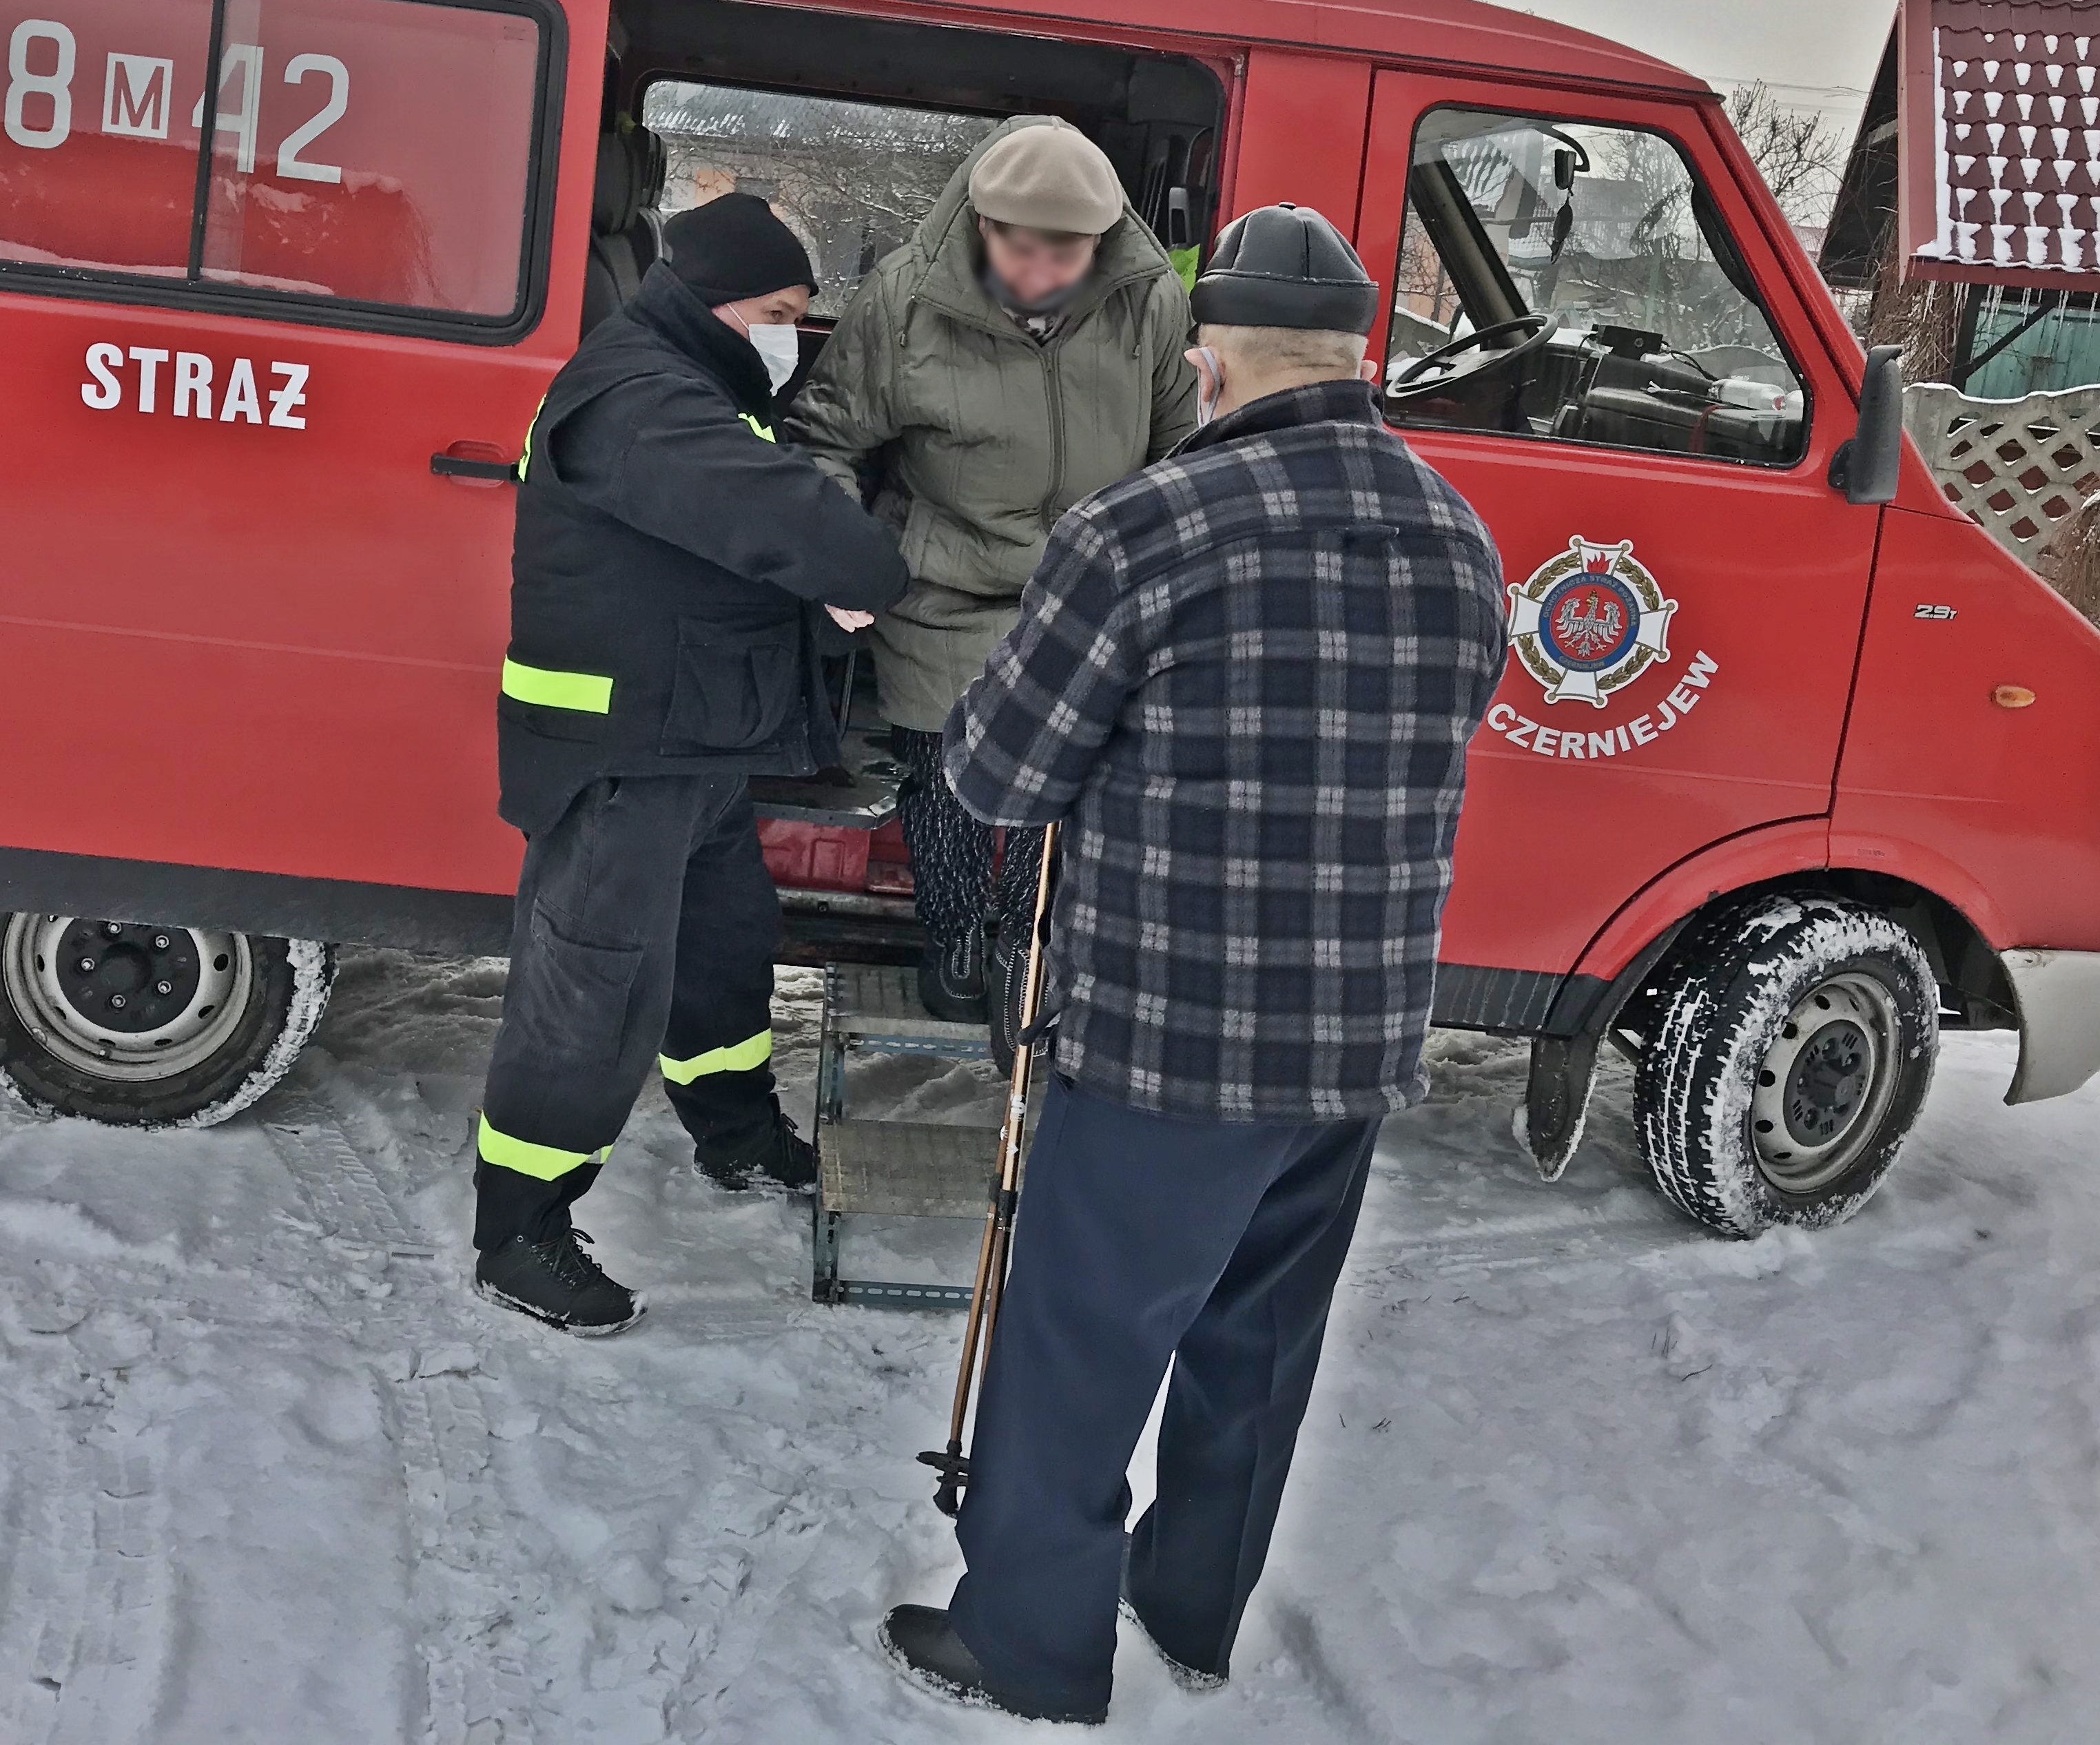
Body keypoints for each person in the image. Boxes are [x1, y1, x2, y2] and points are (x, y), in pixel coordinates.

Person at [874, 206, 1509, 1722]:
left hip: (1168, 1040)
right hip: (1353, 1040)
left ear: (1211, 362)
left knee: (1081, 1349)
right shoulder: (1459, 538)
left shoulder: (1139, 531)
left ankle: (1027, 1645)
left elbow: (1001, 777)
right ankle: (1192, 1603)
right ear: (1355, 354)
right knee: (1261, 1341)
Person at [477, 193, 909, 1336]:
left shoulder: (693, 383)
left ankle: (736, 1132)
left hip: (687, 741)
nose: (788, 337)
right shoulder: (642, 401)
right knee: (593, 991)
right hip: (620, 752)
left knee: (724, 948)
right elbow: (798, 526)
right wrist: (855, 565)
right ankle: (519, 1227)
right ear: (717, 300)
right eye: (779, 313)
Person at [790, 118, 1195, 1047]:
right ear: (982, 222)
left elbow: (1183, 442)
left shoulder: (1149, 301)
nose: (1045, 271)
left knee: (1071, 786)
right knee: (952, 775)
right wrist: (839, 550)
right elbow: (827, 440)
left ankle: (1028, 942)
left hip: (1095, 591)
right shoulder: (902, 302)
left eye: (1069, 253)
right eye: (1023, 248)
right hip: (946, 581)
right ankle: (954, 941)